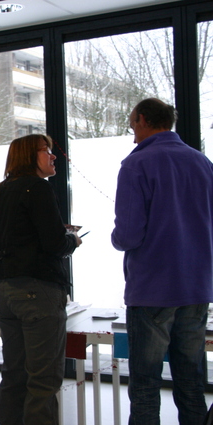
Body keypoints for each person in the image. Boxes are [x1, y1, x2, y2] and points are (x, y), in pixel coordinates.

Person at [111, 98, 213, 425]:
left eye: (132, 125)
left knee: (145, 383)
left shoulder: (136, 164)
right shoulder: (202, 162)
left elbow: (128, 235)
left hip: (153, 289)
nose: (132, 133)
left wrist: (114, 239)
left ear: (142, 119)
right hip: (197, 286)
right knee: (192, 380)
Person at [0, 134, 82, 425]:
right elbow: (53, 244)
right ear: (29, 156)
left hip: (3, 292)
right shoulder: (38, 188)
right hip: (37, 292)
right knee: (43, 380)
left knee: (14, 374)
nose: (53, 156)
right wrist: (72, 240)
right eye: (46, 151)